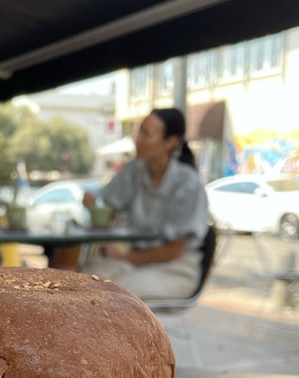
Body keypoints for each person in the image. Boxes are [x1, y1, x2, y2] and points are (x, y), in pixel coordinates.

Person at [79, 108, 209, 300]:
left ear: (170, 142)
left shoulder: (188, 184)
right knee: (81, 282)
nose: (138, 139)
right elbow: (107, 212)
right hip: (134, 261)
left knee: (113, 296)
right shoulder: (134, 170)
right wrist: (94, 206)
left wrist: (123, 258)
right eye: (139, 132)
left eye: (146, 134)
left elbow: (173, 250)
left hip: (175, 268)